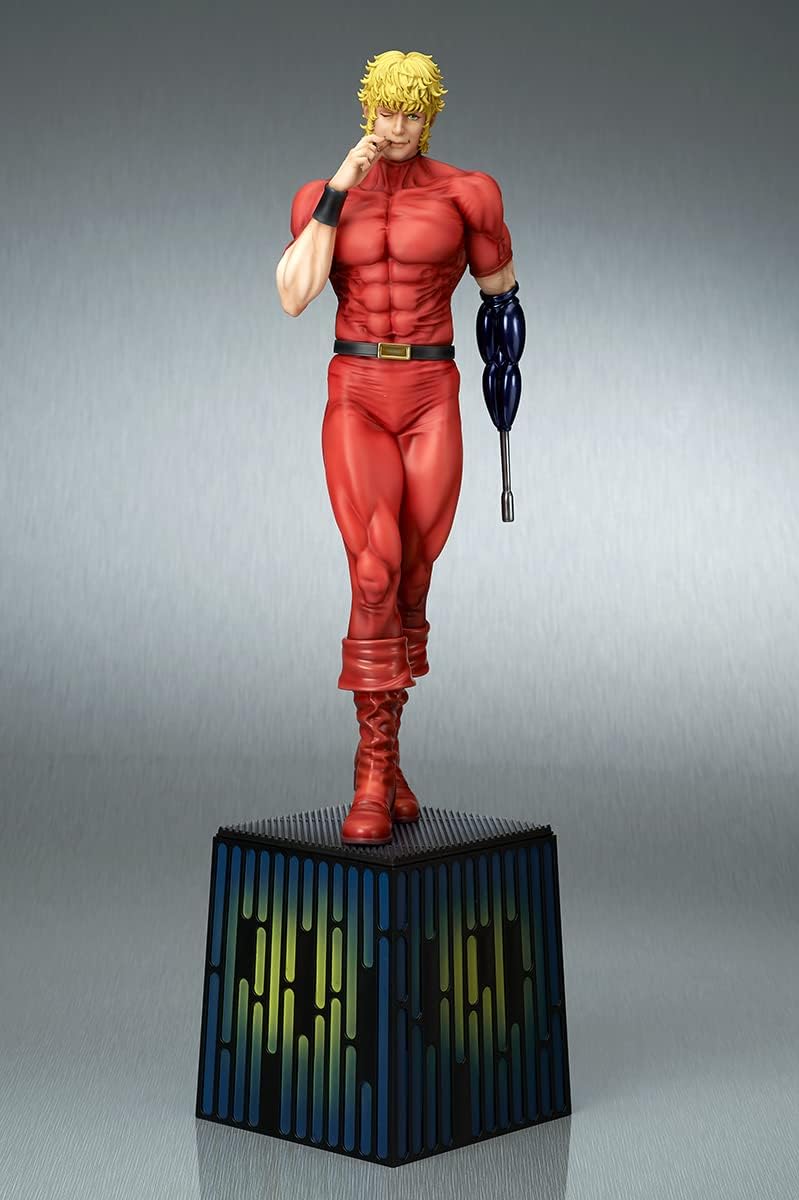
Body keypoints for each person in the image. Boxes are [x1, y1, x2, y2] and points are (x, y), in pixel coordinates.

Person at [276, 50, 524, 845]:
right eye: (385, 109)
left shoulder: (466, 194)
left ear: (430, 115)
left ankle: (390, 760)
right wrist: (338, 190)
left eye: (411, 111)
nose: (396, 125)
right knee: (374, 565)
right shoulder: (321, 196)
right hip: (356, 387)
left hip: (430, 390)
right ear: (366, 110)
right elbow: (292, 296)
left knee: (411, 576)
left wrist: (505, 397)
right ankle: (371, 770)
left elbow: (501, 305)